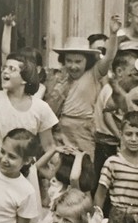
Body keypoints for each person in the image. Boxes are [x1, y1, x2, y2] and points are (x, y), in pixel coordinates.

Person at [44, 29, 119, 158]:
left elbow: (109, 58)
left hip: (83, 131)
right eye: (69, 61)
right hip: (60, 131)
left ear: (87, 61)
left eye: (78, 62)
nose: (73, 66)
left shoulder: (93, 74)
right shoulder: (60, 79)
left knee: (84, 166)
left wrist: (113, 34)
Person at [0, 52, 57, 160]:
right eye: (4, 67)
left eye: (12, 69)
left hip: (25, 169)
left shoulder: (40, 107)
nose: (5, 71)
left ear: (25, 78)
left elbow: (49, 146)